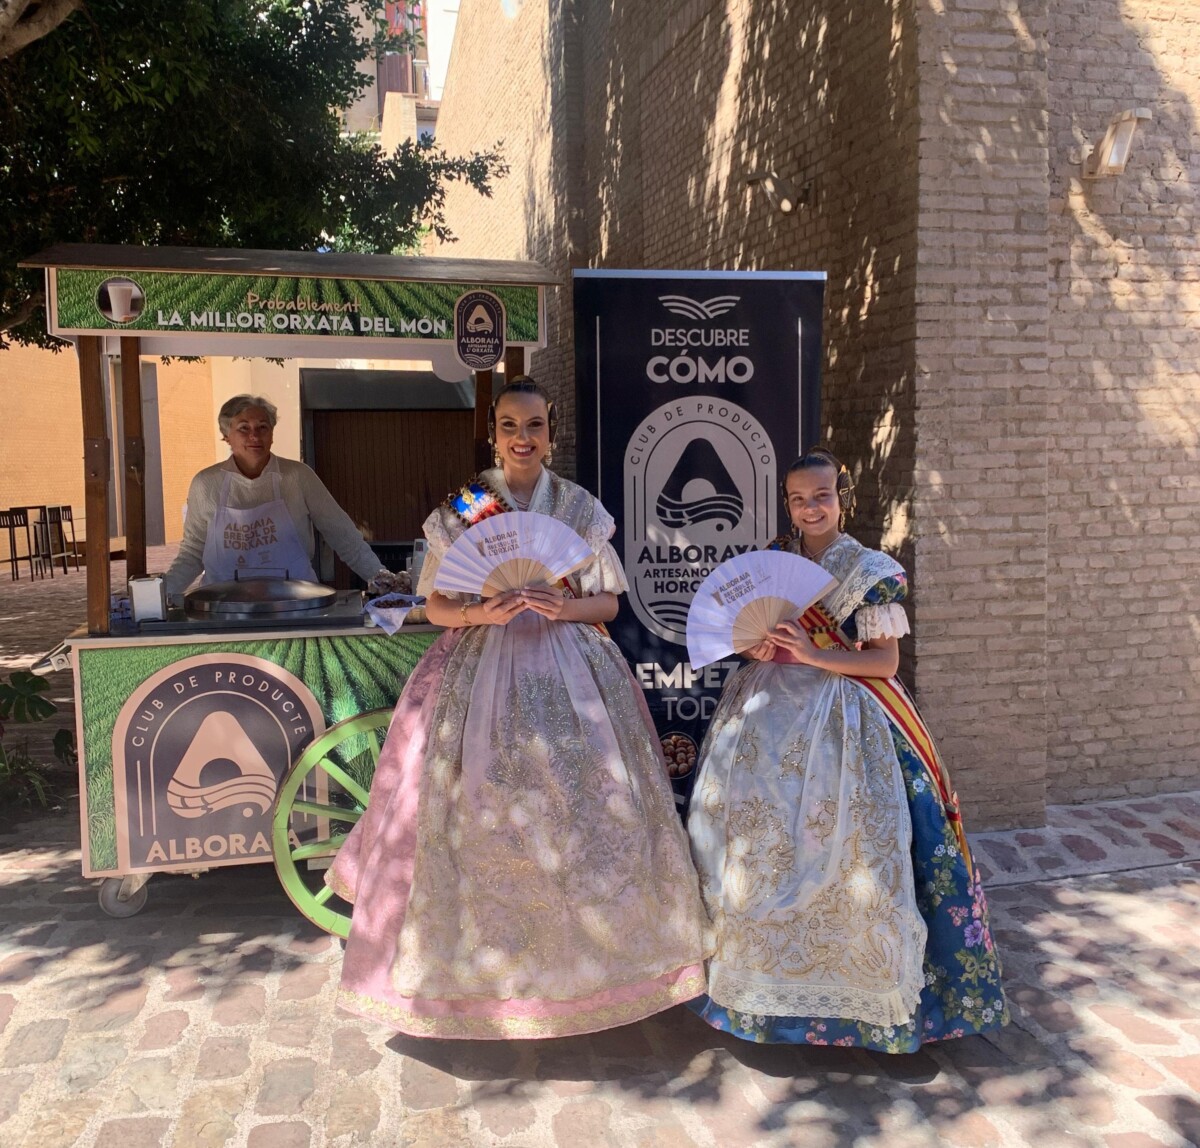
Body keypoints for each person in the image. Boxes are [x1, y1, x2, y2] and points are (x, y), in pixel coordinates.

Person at [326, 377, 711, 1039]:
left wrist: (565, 606)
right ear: (494, 433)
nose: (522, 438)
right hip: (481, 668)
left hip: (571, 670)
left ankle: (595, 972)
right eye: (510, 426)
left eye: (534, 426)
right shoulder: (468, 507)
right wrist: (482, 609)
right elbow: (439, 606)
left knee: (583, 807)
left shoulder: (580, 509)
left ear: (551, 434)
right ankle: (478, 974)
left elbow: (609, 605)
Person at [685, 447, 1008, 1052]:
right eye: (798, 498)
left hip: (847, 716)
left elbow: (883, 663)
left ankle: (864, 1006)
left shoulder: (869, 570)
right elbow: (755, 634)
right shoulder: (774, 562)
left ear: (843, 497)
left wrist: (810, 655)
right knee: (757, 844)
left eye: (822, 496)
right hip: (766, 715)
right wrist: (760, 650)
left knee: (853, 848)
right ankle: (757, 996)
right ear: (787, 501)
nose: (811, 507)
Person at [164, 395, 386, 595]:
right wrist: (159, 595)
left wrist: (385, 582)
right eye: (243, 428)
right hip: (222, 607)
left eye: (263, 427)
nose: (254, 436)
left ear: (272, 435)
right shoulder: (205, 483)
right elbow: (193, 552)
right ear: (226, 436)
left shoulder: (298, 476)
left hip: (297, 603)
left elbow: (344, 536)